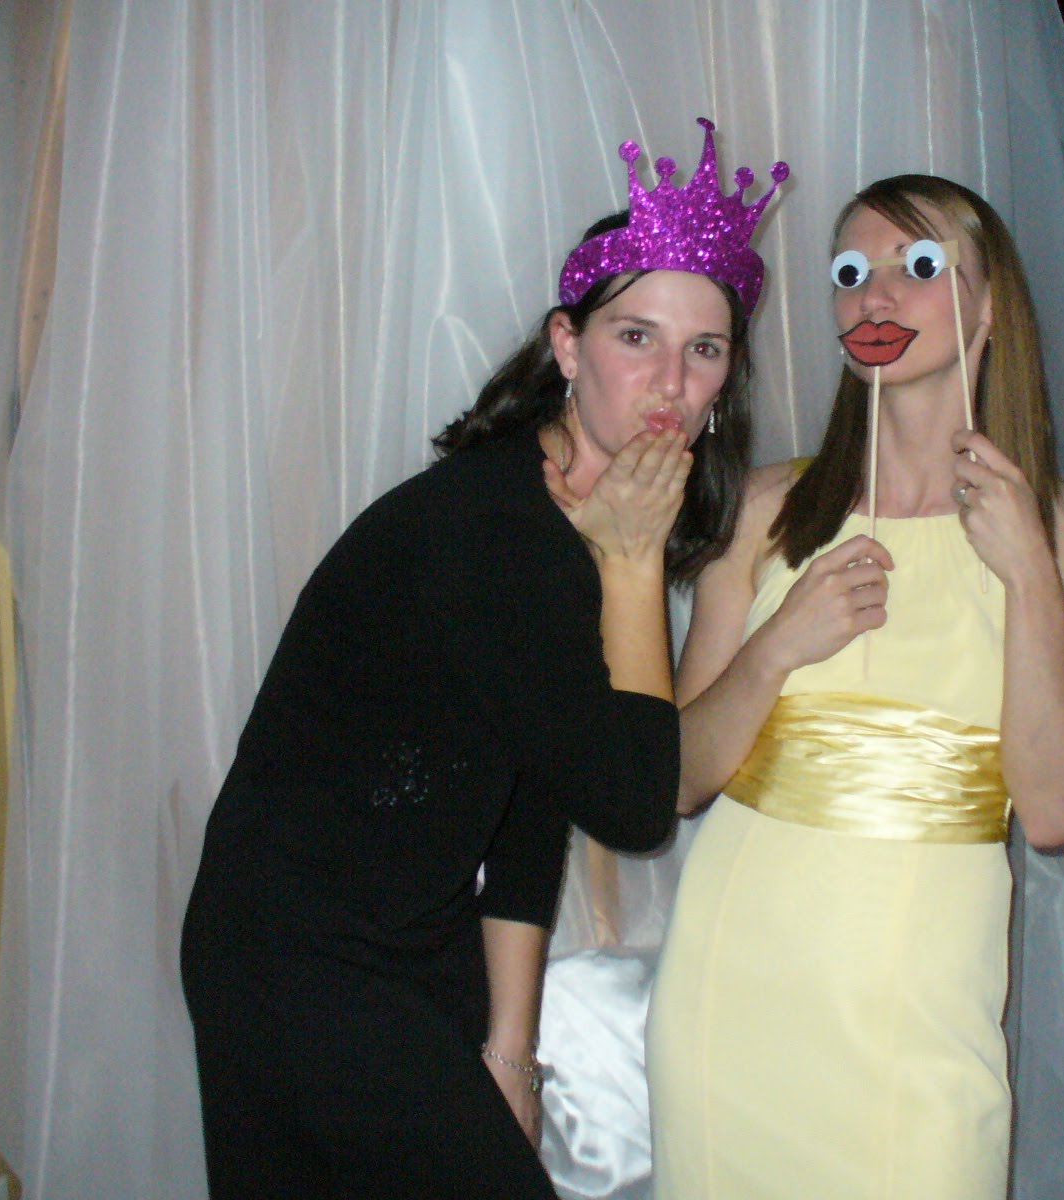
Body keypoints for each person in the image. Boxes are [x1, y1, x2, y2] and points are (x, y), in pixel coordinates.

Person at [180, 119, 785, 1198]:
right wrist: (633, 564)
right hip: (297, 954)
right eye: (635, 337)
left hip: (408, 940)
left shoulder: (569, 512)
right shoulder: (502, 530)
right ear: (567, 346)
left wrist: (511, 1054)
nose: (670, 382)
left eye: (705, 350)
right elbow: (635, 803)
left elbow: (528, 806)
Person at [645, 174, 1064, 1199]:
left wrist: (1029, 576)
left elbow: (1051, 813)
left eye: (919, 266)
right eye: (850, 271)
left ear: (990, 304)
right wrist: (777, 647)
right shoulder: (764, 509)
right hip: (734, 996)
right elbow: (675, 779)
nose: (874, 295)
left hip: (921, 1014)